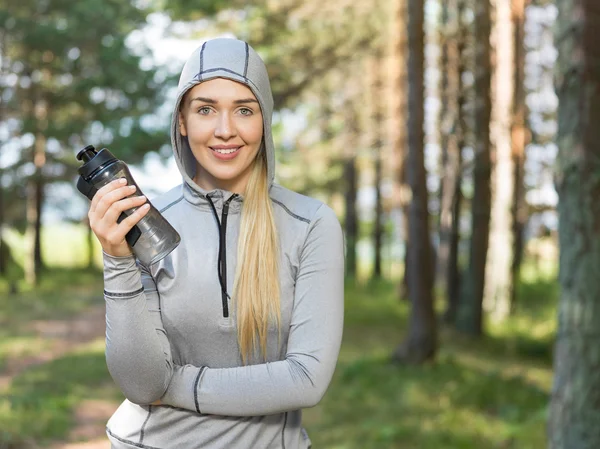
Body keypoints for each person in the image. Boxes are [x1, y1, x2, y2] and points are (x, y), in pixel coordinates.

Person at [88, 37, 345, 449]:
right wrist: (116, 258)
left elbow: (306, 379)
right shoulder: (146, 221)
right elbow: (141, 381)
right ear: (183, 122)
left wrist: (176, 386)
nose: (225, 130)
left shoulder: (310, 224)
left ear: (264, 119)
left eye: (244, 109)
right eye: (206, 109)